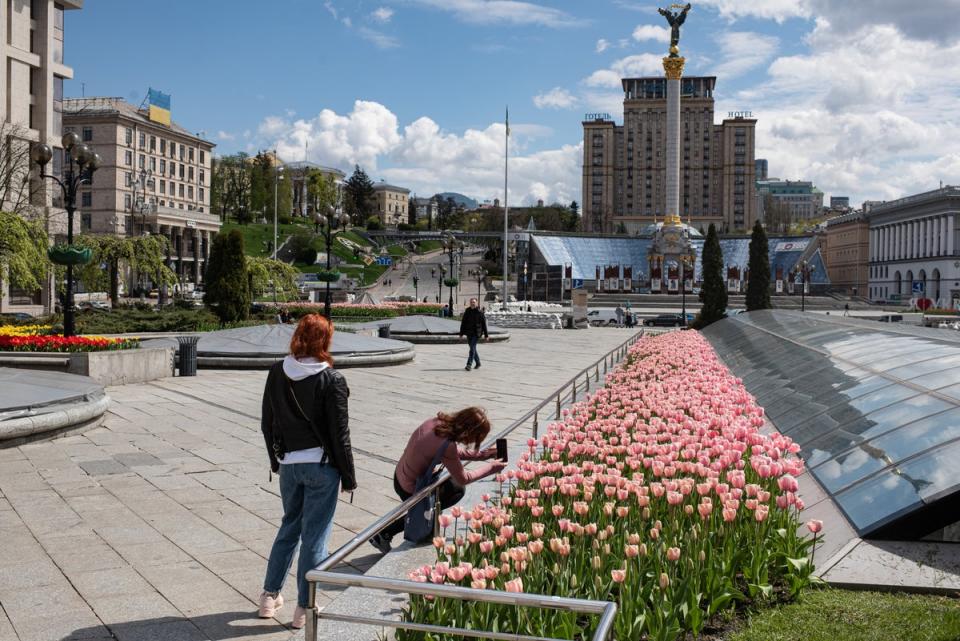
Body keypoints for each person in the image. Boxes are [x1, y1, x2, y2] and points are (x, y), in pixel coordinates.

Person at [258, 314, 356, 629]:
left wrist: (276, 460)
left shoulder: (277, 372)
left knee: (289, 527)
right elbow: (340, 435)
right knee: (315, 536)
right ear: (325, 340)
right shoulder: (331, 379)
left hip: (289, 465)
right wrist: (349, 477)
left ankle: (269, 597)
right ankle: (305, 607)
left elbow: (267, 422)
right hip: (321, 466)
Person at [369, 407, 505, 553]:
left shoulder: (436, 423)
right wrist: (492, 468)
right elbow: (464, 477)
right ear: (469, 432)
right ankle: (385, 533)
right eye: (476, 437)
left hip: (400, 475)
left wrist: (484, 455)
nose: (473, 441)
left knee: (451, 487)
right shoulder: (447, 445)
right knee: (455, 490)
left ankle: (422, 523)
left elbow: (449, 451)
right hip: (411, 488)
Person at [459, 298, 488, 371]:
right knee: (473, 349)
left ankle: (469, 364)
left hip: (477, 333)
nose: (473, 303)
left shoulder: (480, 312)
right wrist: (461, 334)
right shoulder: (467, 311)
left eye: (474, 302)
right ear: (470, 303)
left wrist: (486, 335)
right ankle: (478, 363)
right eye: (471, 302)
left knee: (472, 348)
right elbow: (463, 323)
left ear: (476, 303)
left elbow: (484, 324)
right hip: (469, 333)